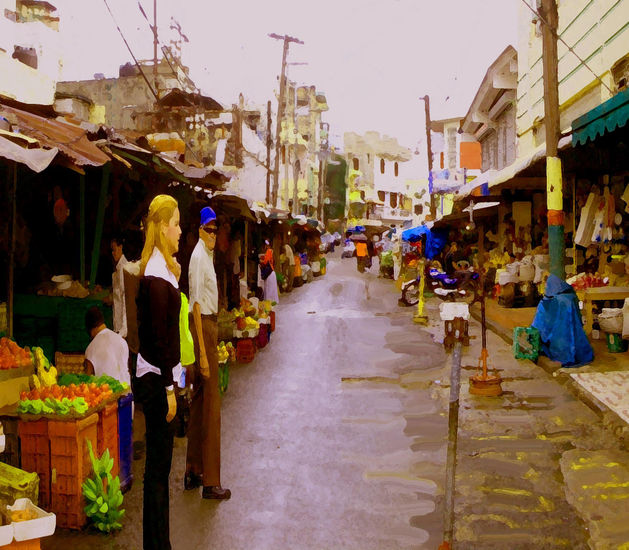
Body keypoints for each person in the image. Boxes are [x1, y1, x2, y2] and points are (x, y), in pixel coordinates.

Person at [134, 194, 182, 550]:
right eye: (177, 224)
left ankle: (160, 542)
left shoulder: (161, 267)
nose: (180, 231)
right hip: (155, 379)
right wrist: (169, 388)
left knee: (160, 470)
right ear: (163, 227)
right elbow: (160, 339)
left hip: (160, 376)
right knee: (157, 472)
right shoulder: (154, 274)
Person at [185, 206, 231, 500]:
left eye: (216, 230)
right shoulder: (200, 257)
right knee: (212, 405)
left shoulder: (205, 255)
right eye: (209, 230)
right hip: (204, 326)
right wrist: (203, 352)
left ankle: (193, 469)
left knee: (200, 404)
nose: (213, 235)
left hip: (206, 325)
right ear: (200, 230)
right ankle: (210, 481)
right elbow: (197, 305)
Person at [84, 306, 130, 387]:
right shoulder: (121, 341)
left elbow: (87, 379)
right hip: (127, 394)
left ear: (90, 329)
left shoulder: (91, 348)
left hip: (106, 396)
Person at [111, 234, 129, 338]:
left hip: (122, 326)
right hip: (117, 324)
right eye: (112, 251)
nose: (113, 253)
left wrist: (123, 328)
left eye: (114, 249)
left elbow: (124, 297)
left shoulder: (123, 268)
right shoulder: (118, 268)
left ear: (121, 247)